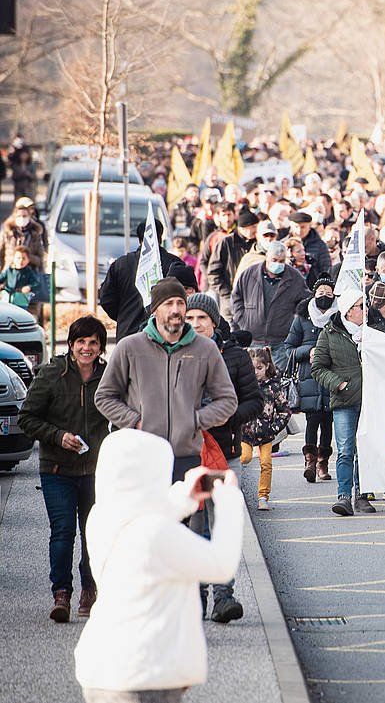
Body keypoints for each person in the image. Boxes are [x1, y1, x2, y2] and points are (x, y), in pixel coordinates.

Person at [74, 430, 242, 703]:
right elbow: (221, 564)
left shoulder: (101, 517)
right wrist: (230, 501)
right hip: (146, 673)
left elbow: (141, 510)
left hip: (103, 667)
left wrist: (184, 496)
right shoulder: (156, 533)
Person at [95, 278, 237, 481]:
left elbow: (227, 401)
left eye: (180, 303)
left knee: (183, 514)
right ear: (155, 310)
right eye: (168, 304)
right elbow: (104, 397)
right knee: (147, 514)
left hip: (186, 456)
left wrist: (194, 421)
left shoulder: (205, 349)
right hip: (142, 455)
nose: (176, 310)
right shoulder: (129, 348)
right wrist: (134, 421)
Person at [19, 315, 109, 623]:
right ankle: (61, 593)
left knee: (94, 533)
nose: (87, 348)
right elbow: (27, 418)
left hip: (97, 469)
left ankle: (90, 589)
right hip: (57, 468)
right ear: (70, 344)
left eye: (93, 342)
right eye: (81, 342)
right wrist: (59, 436)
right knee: (63, 532)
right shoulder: (51, 373)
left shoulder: (108, 376)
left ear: (101, 347)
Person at [181, 292, 260, 623]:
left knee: (222, 526)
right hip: (187, 453)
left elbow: (254, 401)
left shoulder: (235, 356)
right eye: (190, 318)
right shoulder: (177, 352)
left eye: (202, 318)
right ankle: (196, 597)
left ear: (214, 321)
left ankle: (224, 597)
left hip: (225, 455)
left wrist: (226, 417)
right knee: (195, 527)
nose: (196, 324)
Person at [312, 290, 374, 517]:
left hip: (369, 401)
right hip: (345, 401)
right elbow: (318, 368)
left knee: (365, 450)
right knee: (346, 450)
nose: (365, 311)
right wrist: (338, 384)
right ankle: (344, 496)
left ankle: (362, 495)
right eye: (360, 306)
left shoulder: (372, 332)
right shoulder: (329, 334)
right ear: (349, 311)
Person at [99, 219, 186, 342]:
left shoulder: (121, 264)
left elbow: (106, 298)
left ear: (139, 239)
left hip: (128, 332)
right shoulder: (175, 264)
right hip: (166, 335)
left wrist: (124, 316)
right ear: (161, 237)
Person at [286, 275, 335, 483]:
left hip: (332, 377)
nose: (324, 296)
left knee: (328, 422)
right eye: (320, 292)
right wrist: (309, 351)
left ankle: (323, 462)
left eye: (329, 293)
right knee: (312, 420)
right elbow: (289, 348)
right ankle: (310, 461)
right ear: (314, 295)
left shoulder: (339, 317)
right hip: (309, 379)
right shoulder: (302, 319)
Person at [232, 239, 309, 366]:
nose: (278, 264)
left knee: (280, 379)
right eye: (274, 260)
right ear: (267, 257)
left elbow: (304, 302)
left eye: (281, 261)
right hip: (253, 339)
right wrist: (242, 319)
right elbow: (236, 298)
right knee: (254, 378)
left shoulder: (295, 277)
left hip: (280, 342)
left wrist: (293, 324)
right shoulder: (249, 274)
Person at [240, 347, 292, 511]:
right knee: (244, 457)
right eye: (252, 368)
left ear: (267, 366)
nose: (256, 372)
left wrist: (274, 428)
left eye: (259, 368)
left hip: (266, 433)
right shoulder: (244, 386)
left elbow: (285, 411)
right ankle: (236, 488)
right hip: (246, 432)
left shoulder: (273, 387)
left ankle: (263, 496)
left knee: (266, 463)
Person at [208, 208, 260, 318]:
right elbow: (213, 273)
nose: (254, 231)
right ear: (243, 228)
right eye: (252, 228)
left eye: (256, 227)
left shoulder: (259, 243)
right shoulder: (226, 243)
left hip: (255, 300)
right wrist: (227, 294)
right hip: (230, 300)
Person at [0, 195, 46, 271]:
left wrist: (27, 257)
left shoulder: (35, 233)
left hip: (29, 275)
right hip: (10, 273)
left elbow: (40, 259)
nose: (22, 218)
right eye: (19, 216)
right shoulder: (7, 233)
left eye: (24, 216)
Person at [291, 211, 332, 279]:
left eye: (303, 227)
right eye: (296, 227)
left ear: (309, 227)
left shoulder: (320, 245)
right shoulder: (285, 243)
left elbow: (326, 269)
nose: (299, 230)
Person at [1, 244, 39, 309]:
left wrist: (29, 287)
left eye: (24, 258)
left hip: (21, 300)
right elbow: (1, 278)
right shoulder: (9, 270)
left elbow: (36, 284)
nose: (21, 260)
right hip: (7, 299)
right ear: (14, 259)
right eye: (18, 258)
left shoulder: (28, 272)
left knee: (18, 316)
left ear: (28, 260)